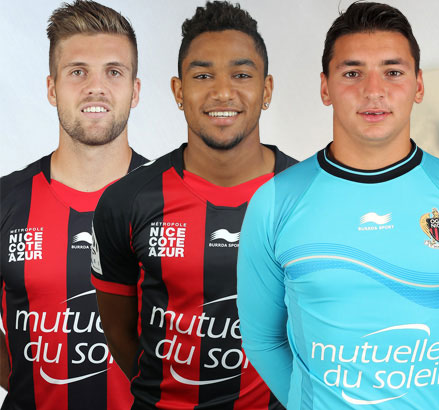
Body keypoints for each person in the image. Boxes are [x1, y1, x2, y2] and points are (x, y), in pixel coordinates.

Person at [236, 3, 439, 409]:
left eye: (392, 72)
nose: (373, 91)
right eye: (352, 73)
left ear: (419, 85)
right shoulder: (275, 201)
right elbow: (263, 341)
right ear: (325, 88)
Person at [90, 1, 296, 408]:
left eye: (241, 74)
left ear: (267, 90)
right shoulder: (125, 201)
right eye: (203, 75)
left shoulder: (311, 196)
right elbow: (119, 333)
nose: (223, 92)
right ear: (179, 91)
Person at [0, 1, 146, 409]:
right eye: (78, 71)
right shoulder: (6, 201)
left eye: (113, 72)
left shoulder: (173, 199)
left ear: (135, 91)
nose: (95, 87)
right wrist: (30, 383)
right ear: (52, 88)